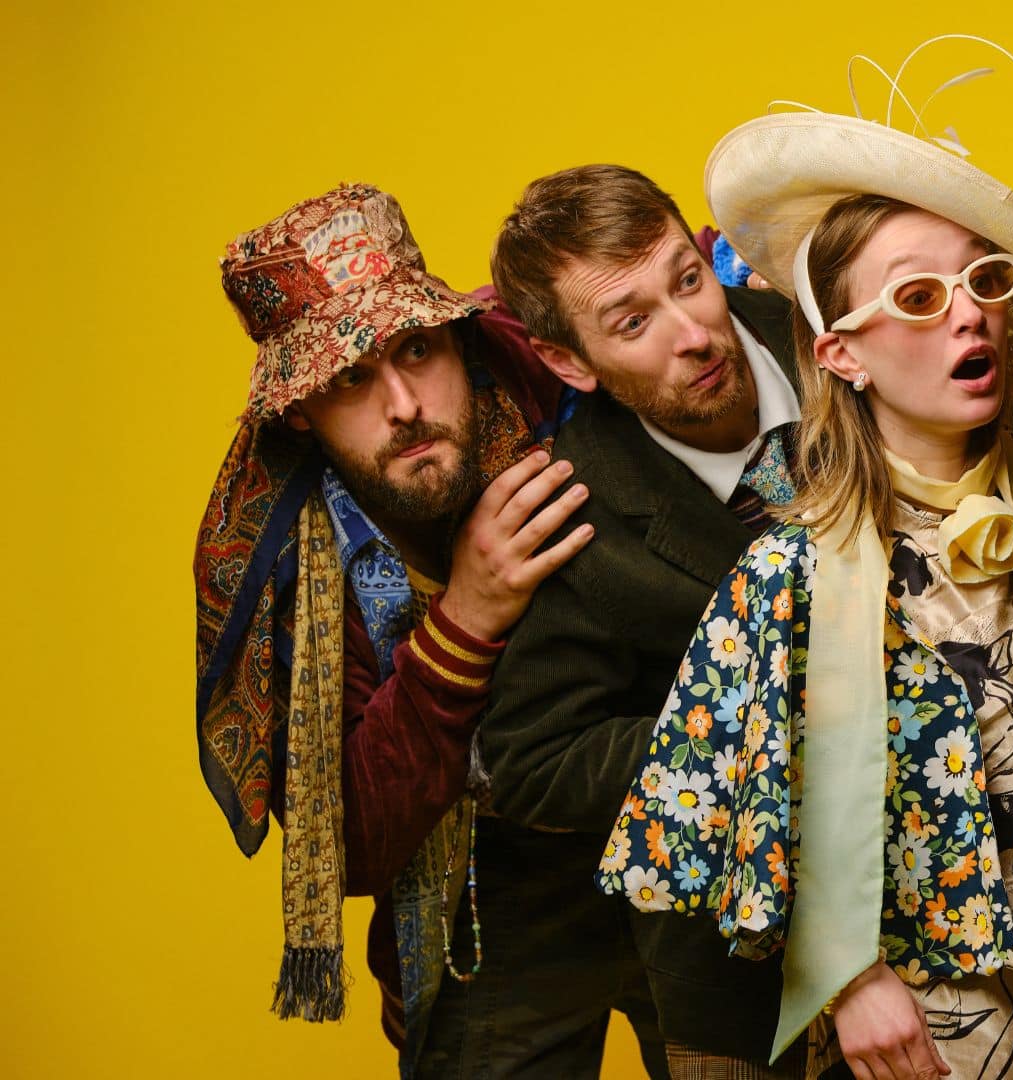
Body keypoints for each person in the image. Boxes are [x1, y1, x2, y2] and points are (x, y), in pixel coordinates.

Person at [598, 100, 1013, 1080]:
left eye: (979, 280)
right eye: (919, 297)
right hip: (942, 1041)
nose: (969, 310)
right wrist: (845, 977)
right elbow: (689, 823)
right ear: (839, 352)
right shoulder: (787, 575)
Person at [193, 183, 587, 1073]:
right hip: (474, 906)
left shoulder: (540, 363)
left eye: (417, 350)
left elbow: (667, 288)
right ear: (299, 411)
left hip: (671, 832)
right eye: (351, 380)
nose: (405, 404)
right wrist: (468, 617)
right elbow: (350, 846)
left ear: (457, 337)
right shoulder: (288, 568)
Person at [471, 164, 808, 1079]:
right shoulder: (568, 518)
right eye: (633, 322)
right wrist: (747, 733)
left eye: (687, 279)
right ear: (568, 361)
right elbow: (534, 763)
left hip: (975, 908)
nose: (695, 333)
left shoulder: (845, 339)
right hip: (740, 986)